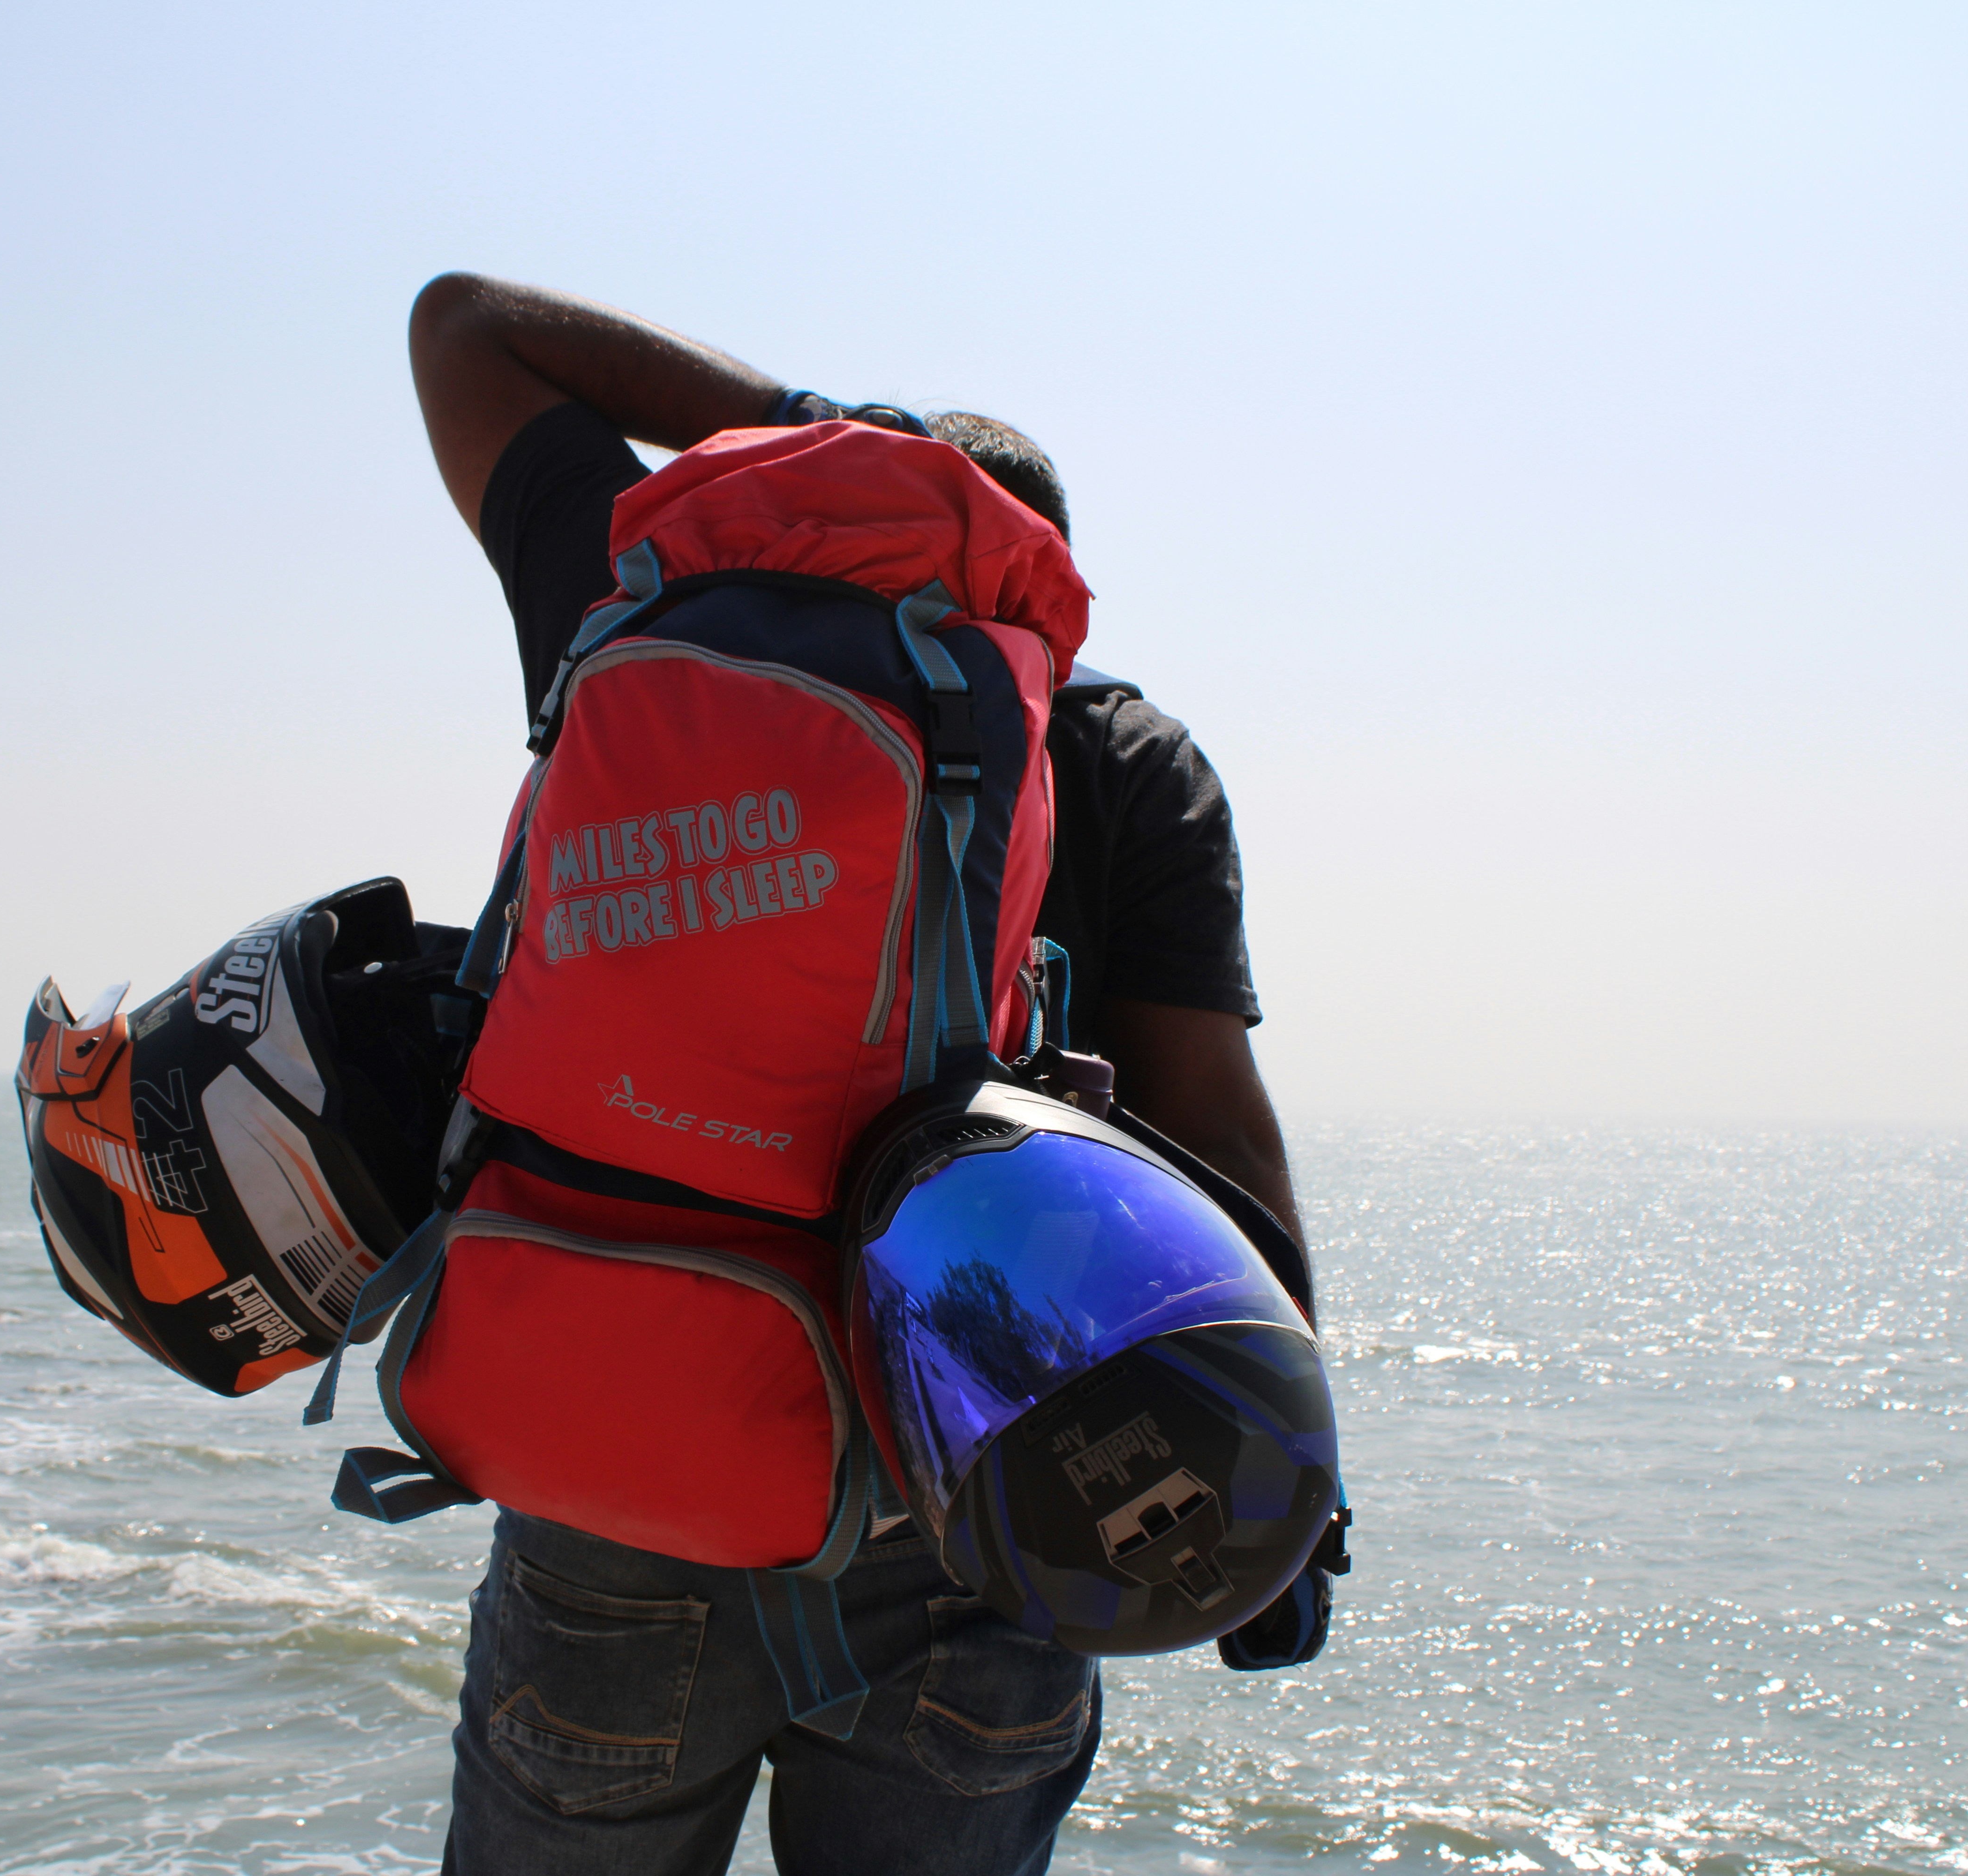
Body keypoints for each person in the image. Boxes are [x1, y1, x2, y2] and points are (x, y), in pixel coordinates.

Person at [406, 271, 1303, 1876]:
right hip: (976, 1515)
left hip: (629, 1465)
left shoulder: (644, 611)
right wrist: (1288, 1490)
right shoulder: (1126, 758)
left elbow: (460, 322)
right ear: (1054, 571)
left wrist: (813, 432)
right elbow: (1210, 1130)